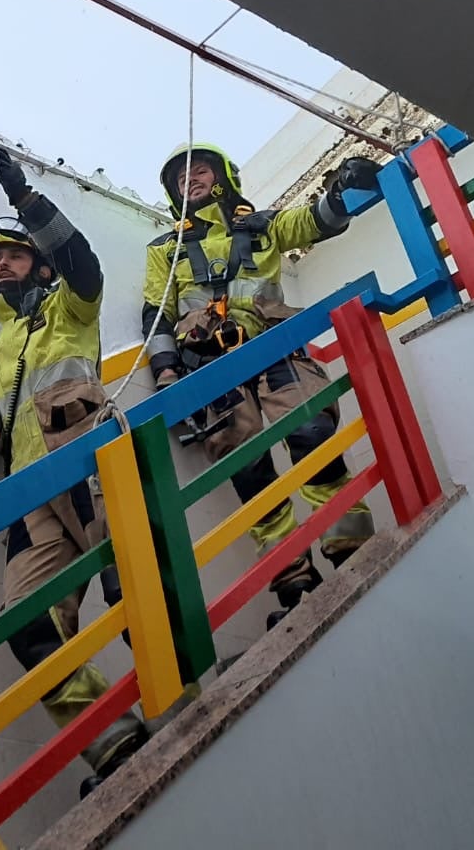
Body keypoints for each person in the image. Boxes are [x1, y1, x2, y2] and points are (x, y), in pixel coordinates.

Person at [0, 142, 147, 791]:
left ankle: (184, 694)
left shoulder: (69, 306)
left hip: (84, 459)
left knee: (133, 589)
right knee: (26, 629)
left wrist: (23, 197)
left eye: (10, 252)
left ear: (35, 263)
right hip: (26, 492)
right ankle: (114, 742)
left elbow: (80, 261)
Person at [142, 144, 380, 626]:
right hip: (209, 367)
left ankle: (351, 545)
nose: (190, 179)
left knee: (312, 434)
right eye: (179, 178)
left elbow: (316, 221)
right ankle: (293, 582)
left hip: (273, 346)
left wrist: (344, 188)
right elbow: (156, 313)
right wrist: (166, 370)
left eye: (200, 170)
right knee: (249, 474)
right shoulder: (164, 251)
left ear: (224, 176)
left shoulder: (263, 224)